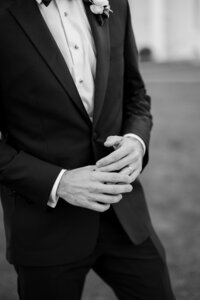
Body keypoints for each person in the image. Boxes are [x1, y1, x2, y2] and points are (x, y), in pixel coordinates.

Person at [0, 0, 175, 299]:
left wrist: (136, 140)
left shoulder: (115, 4)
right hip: (45, 228)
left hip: (125, 218)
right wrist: (59, 182)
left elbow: (135, 94)